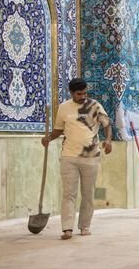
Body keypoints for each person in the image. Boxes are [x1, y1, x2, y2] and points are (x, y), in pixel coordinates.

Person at [41, 78, 112, 240]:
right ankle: (67, 228)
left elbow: (107, 124)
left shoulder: (95, 106)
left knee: (88, 194)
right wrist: (48, 138)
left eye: (85, 93)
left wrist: (108, 140)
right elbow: (59, 130)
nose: (83, 96)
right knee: (68, 194)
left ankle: (85, 226)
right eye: (79, 94)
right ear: (71, 93)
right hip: (69, 156)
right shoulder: (64, 108)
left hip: (90, 157)